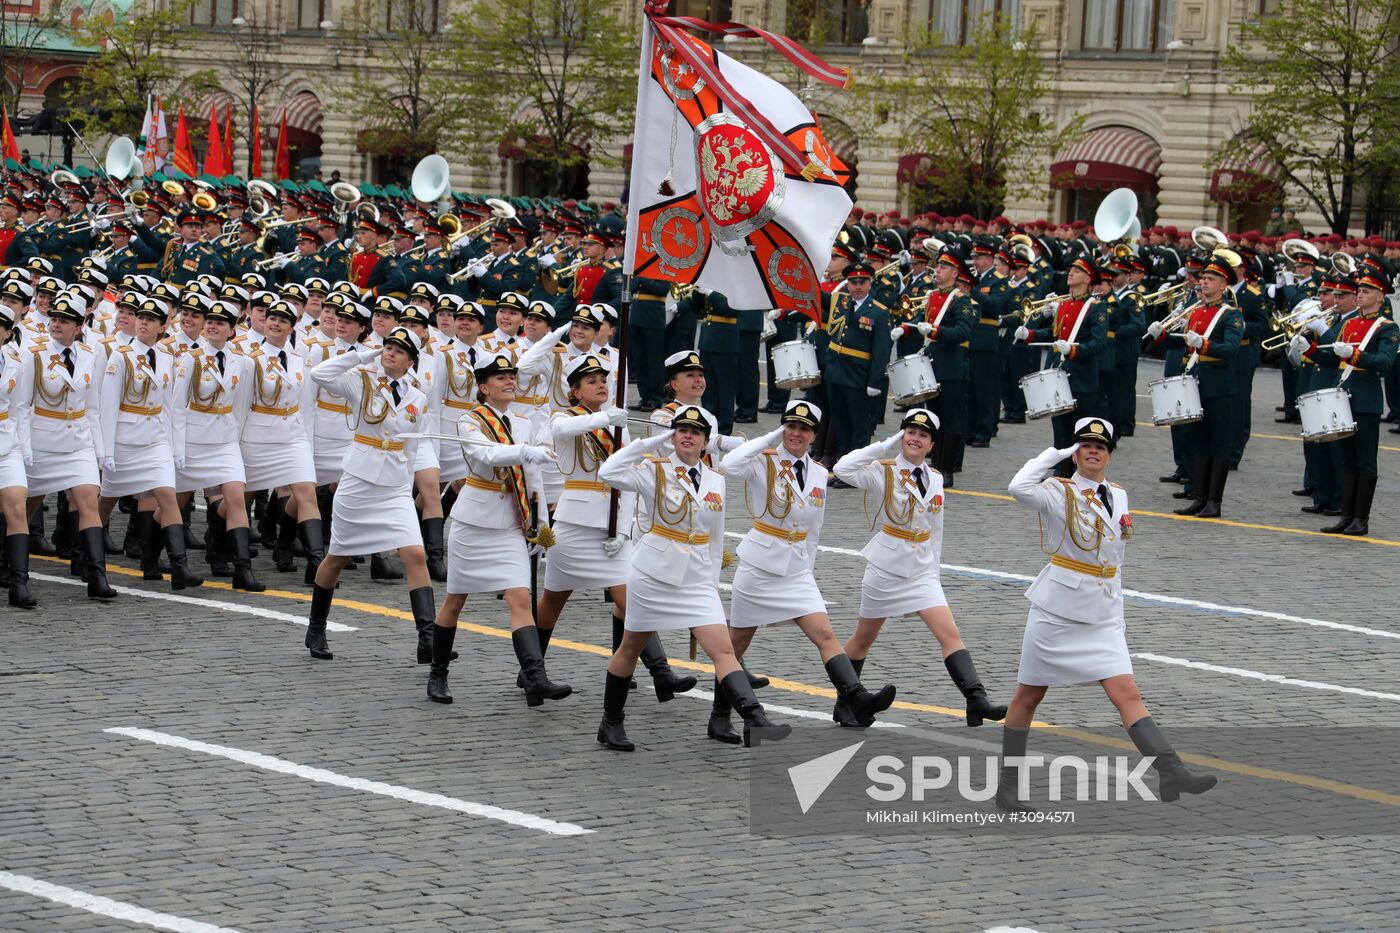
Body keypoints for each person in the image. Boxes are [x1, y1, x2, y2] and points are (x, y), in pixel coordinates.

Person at [999, 418, 1217, 811]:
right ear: (1076, 452)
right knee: (1029, 696)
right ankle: (1008, 788)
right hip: (1058, 612)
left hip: (1103, 610)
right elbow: (1018, 487)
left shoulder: (1119, 494)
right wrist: (1055, 455)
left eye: (1100, 446)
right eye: (1084, 446)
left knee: (1126, 692)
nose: (1092, 451)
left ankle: (1170, 770)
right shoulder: (1055, 491)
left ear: (1110, 454)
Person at [595, 404, 788, 750]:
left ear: (705, 442)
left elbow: (716, 535)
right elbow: (609, 472)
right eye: (680, 430)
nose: (687, 435)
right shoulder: (652, 469)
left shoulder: (715, 479)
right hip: (652, 575)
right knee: (629, 648)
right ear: (672, 437)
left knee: (723, 650)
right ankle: (611, 724)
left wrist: (712, 582)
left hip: (697, 578)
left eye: (695, 432)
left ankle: (754, 719)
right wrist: (648, 445)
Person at [717, 400, 896, 743]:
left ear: (814, 435)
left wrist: (808, 571)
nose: (796, 433)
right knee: (735, 647)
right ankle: (720, 715)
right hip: (759, 567)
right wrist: (770, 436)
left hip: (797, 570)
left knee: (825, 635)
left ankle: (855, 696)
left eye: (804, 429)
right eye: (791, 426)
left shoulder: (817, 471)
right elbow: (728, 464)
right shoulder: (762, 461)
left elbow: (815, 528)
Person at [831, 408, 1005, 727]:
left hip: (922, 570)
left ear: (931, 445)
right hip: (885, 568)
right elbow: (842, 468)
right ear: (902, 437)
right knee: (863, 637)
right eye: (910, 432)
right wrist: (885, 444)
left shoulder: (936, 478)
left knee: (949, 632)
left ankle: (975, 699)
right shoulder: (882, 471)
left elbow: (936, 530)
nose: (915, 439)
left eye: (923, 435)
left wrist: (934, 575)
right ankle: (845, 702)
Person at [425, 351, 566, 707]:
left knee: (520, 598)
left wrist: (541, 528)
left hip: (510, 525)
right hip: (474, 523)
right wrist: (524, 452)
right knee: (456, 601)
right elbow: (486, 455)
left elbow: (532, 479)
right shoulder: (469, 422)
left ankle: (536, 677)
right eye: (500, 378)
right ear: (484, 387)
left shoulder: (522, 422)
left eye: (511, 376)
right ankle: (437, 673)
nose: (509, 381)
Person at [303, 327, 437, 662]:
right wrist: (363, 355)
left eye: (399, 351)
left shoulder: (418, 396)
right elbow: (320, 374)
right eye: (388, 346)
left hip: (394, 487)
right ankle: (316, 625)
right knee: (337, 557)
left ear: (410, 362)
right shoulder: (360, 379)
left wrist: (407, 485)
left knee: (415, 555)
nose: (391, 352)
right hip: (359, 482)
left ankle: (428, 638)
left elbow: (414, 446)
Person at [97, 296, 204, 590]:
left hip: (155, 439)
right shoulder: (120, 356)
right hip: (124, 440)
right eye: (140, 317)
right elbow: (107, 406)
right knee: (105, 501)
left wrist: (174, 447)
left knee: (167, 496)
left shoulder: (170, 359)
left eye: (150, 319)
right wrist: (105, 450)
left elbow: (172, 407)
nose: (142, 322)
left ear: (162, 326)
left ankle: (178, 567)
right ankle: (88, 557)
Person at [173, 300, 264, 592]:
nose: (212, 326)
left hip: (224, 440)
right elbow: (176, 406)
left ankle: (242, 569)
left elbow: (241, 404)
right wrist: (176, 447)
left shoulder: (243, 361)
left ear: (232, 330)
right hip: (192, 438)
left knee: (236, 497)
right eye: (209, 321)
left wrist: (234, 440)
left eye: (220, 323)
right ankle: (154, 555)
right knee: (174, 502)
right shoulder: (191, 358)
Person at [1299, 270, 1398, 535]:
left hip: (1366, 401)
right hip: (1342, 399)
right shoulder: (1349, 324)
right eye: (1359, 291)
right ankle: (1346, 515)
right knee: (1344, 460)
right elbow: (1333, 359)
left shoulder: (1387, 327)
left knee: (1364, 461)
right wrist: (1308, 349)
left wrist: (1354, 355)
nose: (1360, 295)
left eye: (1365, 291)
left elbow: (1385, 362)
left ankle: (1361, 519)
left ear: (1380, 296)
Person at [1147, 252, 1244, 518]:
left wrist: (1206, 344)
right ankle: (1199, 497)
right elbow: (1185, 343)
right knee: (1198, 442)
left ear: (1224, 285)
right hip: (1195, 384)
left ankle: (1214, 501)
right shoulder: (1196, 311)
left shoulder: (1231, 315)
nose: (1204, 283)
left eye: (1211, 279)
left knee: (1219, 445)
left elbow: (1231, 349)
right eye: (1203, 278)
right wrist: (1164, 336)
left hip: (1219, 387)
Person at [0, 299, 35, 607]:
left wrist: (24, 449)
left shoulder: (16, 362)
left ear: (8, 333)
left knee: (16, 508)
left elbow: (20, 408)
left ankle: (19, 582)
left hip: (6, 443)